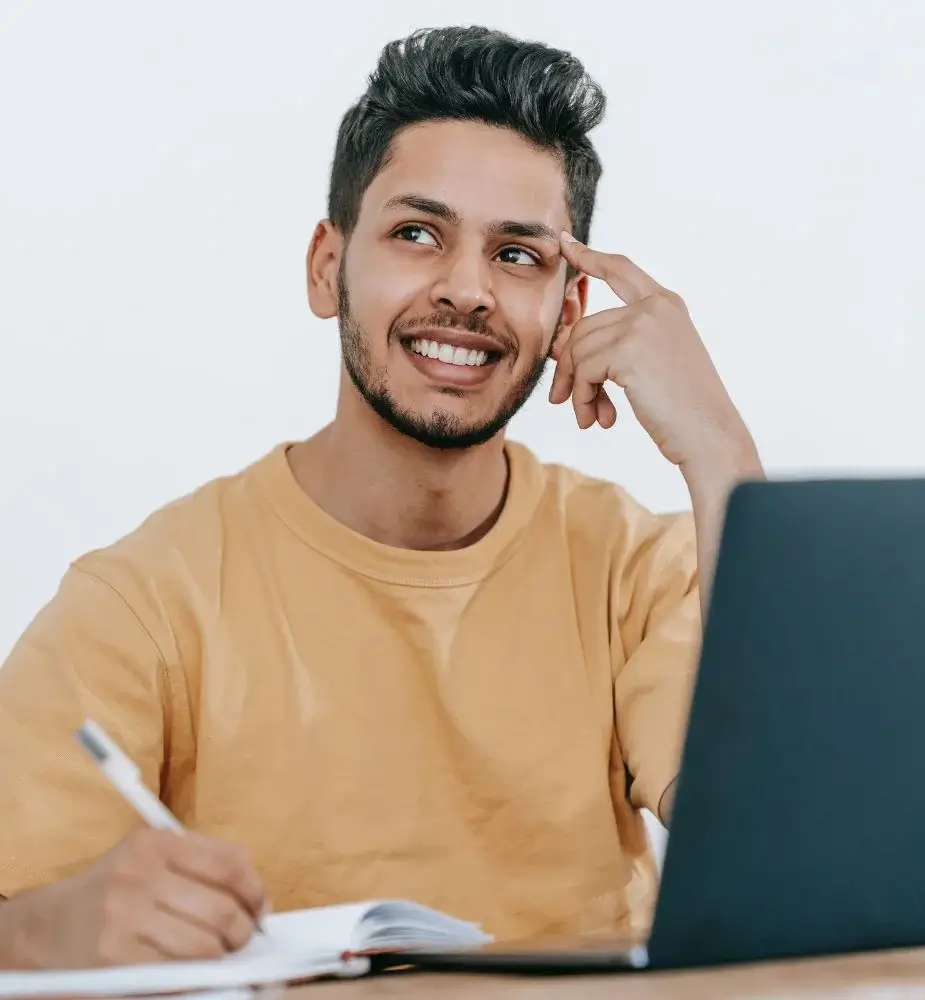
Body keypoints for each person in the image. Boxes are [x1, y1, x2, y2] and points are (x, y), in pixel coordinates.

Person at [0, 25, 763, 970]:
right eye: (417, 234)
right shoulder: (144, 606)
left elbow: (796, 847)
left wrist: (719, 450)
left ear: (569, 310)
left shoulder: (642, 571)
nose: (468, 291)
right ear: (328, 268)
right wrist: (38, 932)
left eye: (519, 255)